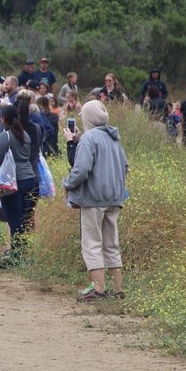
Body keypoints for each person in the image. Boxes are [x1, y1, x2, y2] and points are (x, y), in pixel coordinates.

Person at [62, 99, 128, 301]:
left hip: (93, 199)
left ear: (88, 118)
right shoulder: (114, 138)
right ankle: (117, 290)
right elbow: (125, 167)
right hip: (114, 198)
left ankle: (98, 289)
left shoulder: (89, 139)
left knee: (91, 242)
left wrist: (67, 183)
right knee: (111, 244)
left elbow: (81, 170)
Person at [0, 104, 36, 269]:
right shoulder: (24, 134)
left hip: (12, 181)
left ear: (3, 119)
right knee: (24, 218)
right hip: (29, 178)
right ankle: (23, 253)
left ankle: (16, 256)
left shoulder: (6, 136)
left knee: (14, 219)